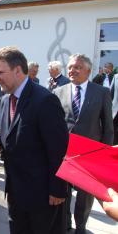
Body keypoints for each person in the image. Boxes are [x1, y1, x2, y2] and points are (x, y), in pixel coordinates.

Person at [0, 46, 69, 234]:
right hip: (15, 189)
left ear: (18, 70)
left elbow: (58, 149)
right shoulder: (4, 99)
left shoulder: (44, 100)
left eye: (1, 72)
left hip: (41, 194)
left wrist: (58, 189)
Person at [53, 54, 113, 234]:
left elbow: (108, 127)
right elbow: (54, 125)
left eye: (77, 67)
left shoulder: (101, 92)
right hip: (65, 154)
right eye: (70, 67)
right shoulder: (58, 92)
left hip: (90, 154)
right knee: (62, 193)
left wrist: (104, 157)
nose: (72, 70)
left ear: (88, 70)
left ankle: (81, 227)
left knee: (85, 197)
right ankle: (65, 225)